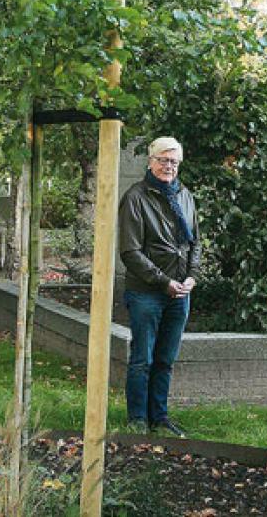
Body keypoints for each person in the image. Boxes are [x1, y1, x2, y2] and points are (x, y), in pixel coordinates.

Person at [118, 136, 200, 438]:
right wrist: (164, 282)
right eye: (164, 160)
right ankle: (138, 420)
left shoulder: (185, 196)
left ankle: (160, 418)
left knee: (165, 360)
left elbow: (195, 243)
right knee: (143, 359)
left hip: (180, 293)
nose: (169, 166)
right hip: (147, 293)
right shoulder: (136, 197)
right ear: (151, 161)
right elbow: (130, 251)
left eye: (174, 162)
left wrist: (192, 276)